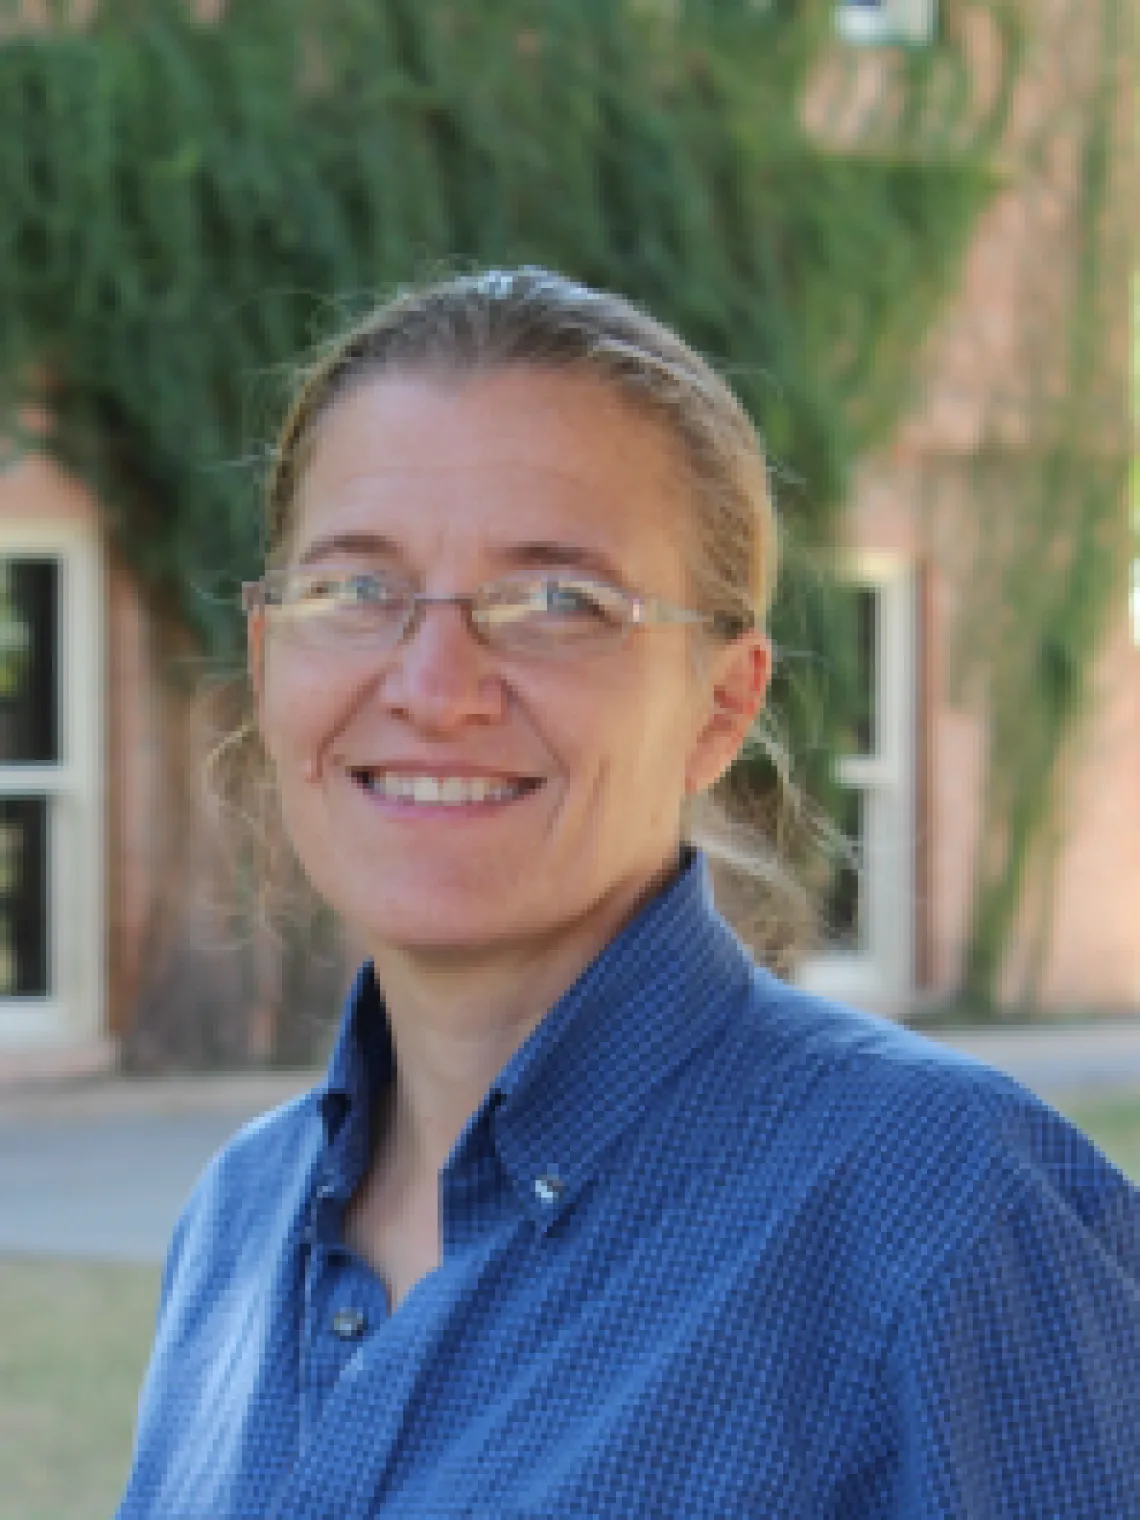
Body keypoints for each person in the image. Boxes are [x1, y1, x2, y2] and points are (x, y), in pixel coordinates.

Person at [116, 268, 1139, 1519]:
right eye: (357, 589)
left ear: (723, 702)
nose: (436, 685)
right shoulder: (234, 1224)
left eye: (558, 601)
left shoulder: (939, 1214)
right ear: (270, 659)